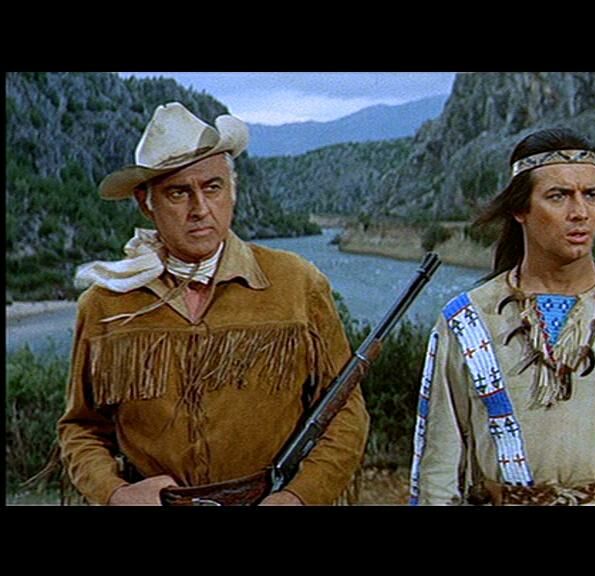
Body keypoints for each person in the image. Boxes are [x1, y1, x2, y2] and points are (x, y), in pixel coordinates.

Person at [57, 102, 370, 505]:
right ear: (145, 202)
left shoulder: (296, 283)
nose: (200, 210)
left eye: (213, 188)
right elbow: (80, 427)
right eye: (178, 193)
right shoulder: (105, 303)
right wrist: (115, 493)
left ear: (232, 192)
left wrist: (298, 497)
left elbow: (345, 411)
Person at [409, 128, 595, 505]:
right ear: (521, 209)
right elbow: (438, 466)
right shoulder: (468, 320)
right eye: (558, 196)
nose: (580, 212)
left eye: (591, 195)